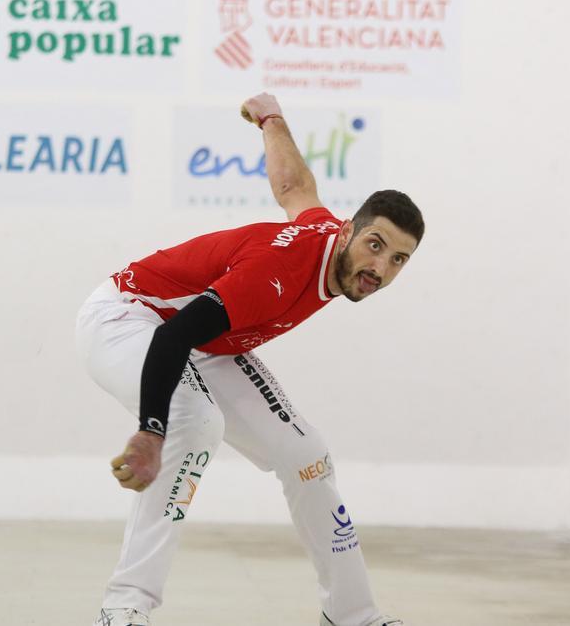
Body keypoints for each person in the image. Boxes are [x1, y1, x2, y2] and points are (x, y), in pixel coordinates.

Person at [77, 92, 424, 626]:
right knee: (195, 423)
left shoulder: (325, 232)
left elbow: (294, 187)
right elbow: (176, 337)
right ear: (350, 231)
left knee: (306, 453)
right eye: (375, 246)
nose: (380, 267)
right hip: (128, 317)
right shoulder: (278, 273)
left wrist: (271, 118)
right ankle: (125, 606)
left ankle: (356, 616)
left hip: (206, 341)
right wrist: (152, 432)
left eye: (398, 259)